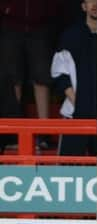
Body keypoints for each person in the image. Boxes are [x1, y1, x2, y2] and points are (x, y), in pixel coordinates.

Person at [0, 0, 64, 148]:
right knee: (12, 79)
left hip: (40, 26)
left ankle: (44, 132)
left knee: (42, 78)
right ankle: (13, 133)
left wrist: (47, 11)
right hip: (10, 25)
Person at [52, 0, 97, 156]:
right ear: (83, 6)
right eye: (91, 1)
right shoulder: (71, 36)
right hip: (75, 114)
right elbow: (59, 74)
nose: (96, 4)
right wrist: (76, 101)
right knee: (67, 169)